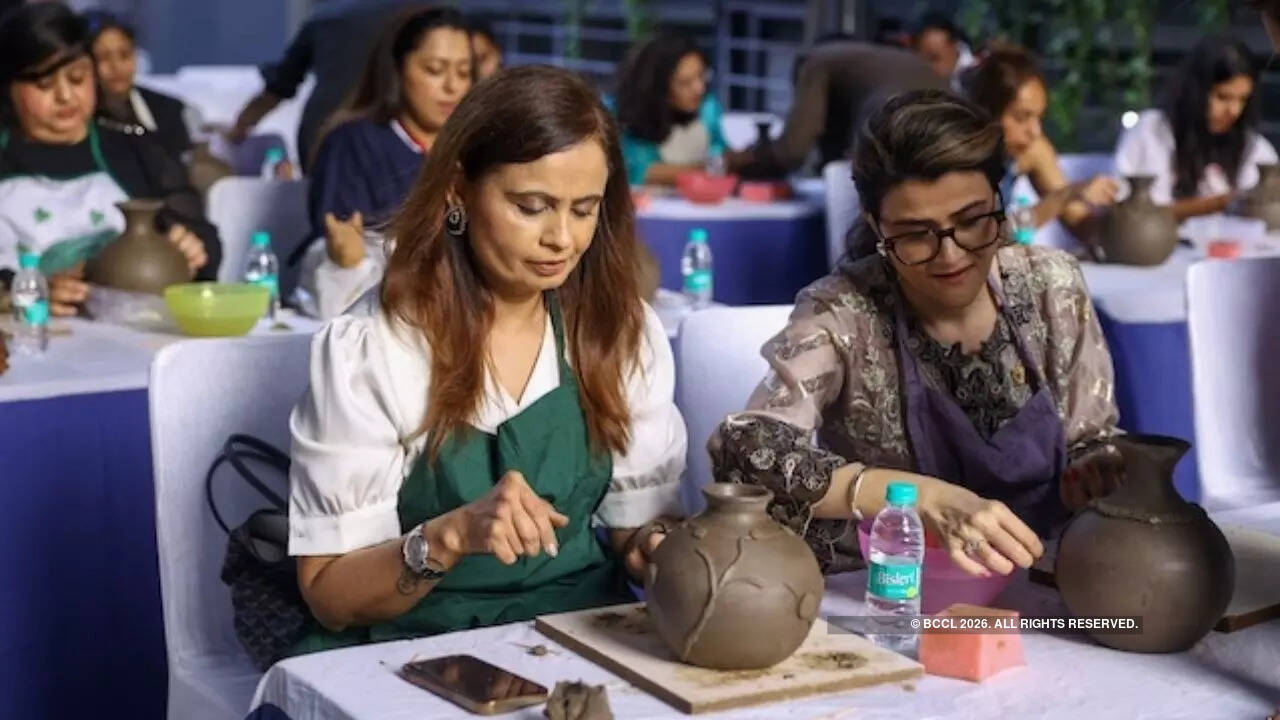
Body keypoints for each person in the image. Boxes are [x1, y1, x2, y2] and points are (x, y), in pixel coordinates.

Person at [286, 65, 687, 653]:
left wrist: (655, 547)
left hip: (575, 627)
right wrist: (447, 538)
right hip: (404, 643)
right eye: (532, 206)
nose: (562, 239)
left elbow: (636, 526)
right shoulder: (377, 346)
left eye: (583, 209)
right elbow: (330, 594)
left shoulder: (618, 330)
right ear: (457, 190)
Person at [710, 90, 1122, 577]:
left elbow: (1092, 439)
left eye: (972, 223)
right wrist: (918, 498)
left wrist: (1092, 469)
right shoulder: (843, 312)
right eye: (914, 234)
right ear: (875, 226)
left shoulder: (1053, 287)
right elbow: (746, 450)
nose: (951, 256)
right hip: (896, 589)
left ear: (1000, 201)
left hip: (1046, 575)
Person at [0, 2, 217, 313]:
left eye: (77, 78)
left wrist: (191, 248)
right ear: (9, 89)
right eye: (43, 85)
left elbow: (206, 239)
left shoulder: (134, 149)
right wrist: (20, 290)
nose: (65, 96)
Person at [296, 7, 472, 320]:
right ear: (398, 70)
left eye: (463, 72)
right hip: (382, 317)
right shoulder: (353, 143)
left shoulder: (479, 149)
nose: (452, 87)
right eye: (434, 69)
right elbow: (336, 256)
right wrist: (346, 260)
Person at [226, 0, 420, 171]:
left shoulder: (325, 18)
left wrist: (239, 128)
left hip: (323, 134)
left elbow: (277, 89)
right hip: (394, 132)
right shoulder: (424, 14)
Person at [726, 39, 945, 179]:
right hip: (949, 124)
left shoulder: (815, 63)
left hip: (893, 120)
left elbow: (792, 151)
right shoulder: (870, 62)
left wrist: (746, 160)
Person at [961, 46, 1118, 241]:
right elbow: (985, 236)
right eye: (1021, 117)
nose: (1035, 131)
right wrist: (1065, 196)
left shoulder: (1028, 149)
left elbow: (1082, 224)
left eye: (1038, 118)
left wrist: (1124, 215)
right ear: (987, 112)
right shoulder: (958, 160)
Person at [1114, 35, 1276, 221]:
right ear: (1195, 91)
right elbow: (1130, 213)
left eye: (1242, 100)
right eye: (1223, 97)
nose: (1234, 111)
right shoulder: (1150, 131)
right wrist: (1216, 204)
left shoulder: (1253, 146)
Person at [614, 33, 726, 186]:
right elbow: (643, 172)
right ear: (659, 88)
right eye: (685, 83)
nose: (699, 88)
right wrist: (712, 167)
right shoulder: (632, 117)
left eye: (701, 76)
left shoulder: (708, 107)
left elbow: (721, 151)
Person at [85, 11, 196, 161]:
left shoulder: (168, 111)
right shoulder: (78, 118)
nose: (116, 66)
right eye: (103, 58)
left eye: (124, 55)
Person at [909, 12, 977, 90]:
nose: (930, 67)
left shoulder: (978, 76)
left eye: (934, 58)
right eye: (923, 61)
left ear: (954, 45)